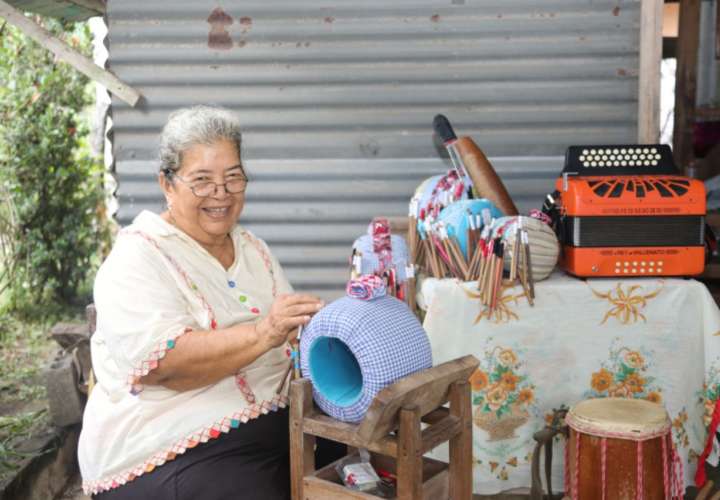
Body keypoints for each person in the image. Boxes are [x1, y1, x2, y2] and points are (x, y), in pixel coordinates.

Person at [79, 106, 327, 499]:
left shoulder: (252, 250)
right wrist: (265, 332)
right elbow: (165, 365)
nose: (221, 194)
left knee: (353, 459)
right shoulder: (137, 257)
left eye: (233, 178)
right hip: (165, 445)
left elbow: (294, 338)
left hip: (268, 421)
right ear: (167, 184)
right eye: (202, 181)